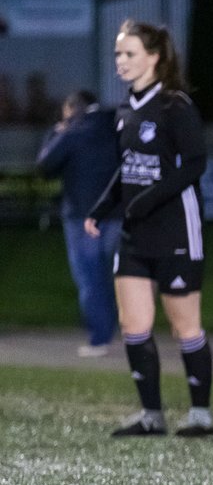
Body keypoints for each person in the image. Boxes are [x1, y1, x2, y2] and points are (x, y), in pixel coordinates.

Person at [86, 20, 213, 438]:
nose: (120, 62)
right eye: (118, 55)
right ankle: (151, 415)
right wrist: (102, 207)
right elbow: (127, 171)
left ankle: (200, 414)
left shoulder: (175, 106)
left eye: (129, 54)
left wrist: (151, 198)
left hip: (177, 231)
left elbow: (196, 164)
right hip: (134, 235)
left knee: (184, 327)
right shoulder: (125, 110)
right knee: (134, 327)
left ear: (154, 57)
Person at [35, 90, 122, 357]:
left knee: (90, 276)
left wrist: (56, 133)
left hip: (82, 216)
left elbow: (45, 165)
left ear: (72, 108)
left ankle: (100, 338)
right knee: (119, 274)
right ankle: (130, 329)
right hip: (119, 212)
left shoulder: (73, 132)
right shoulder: (116, 127)